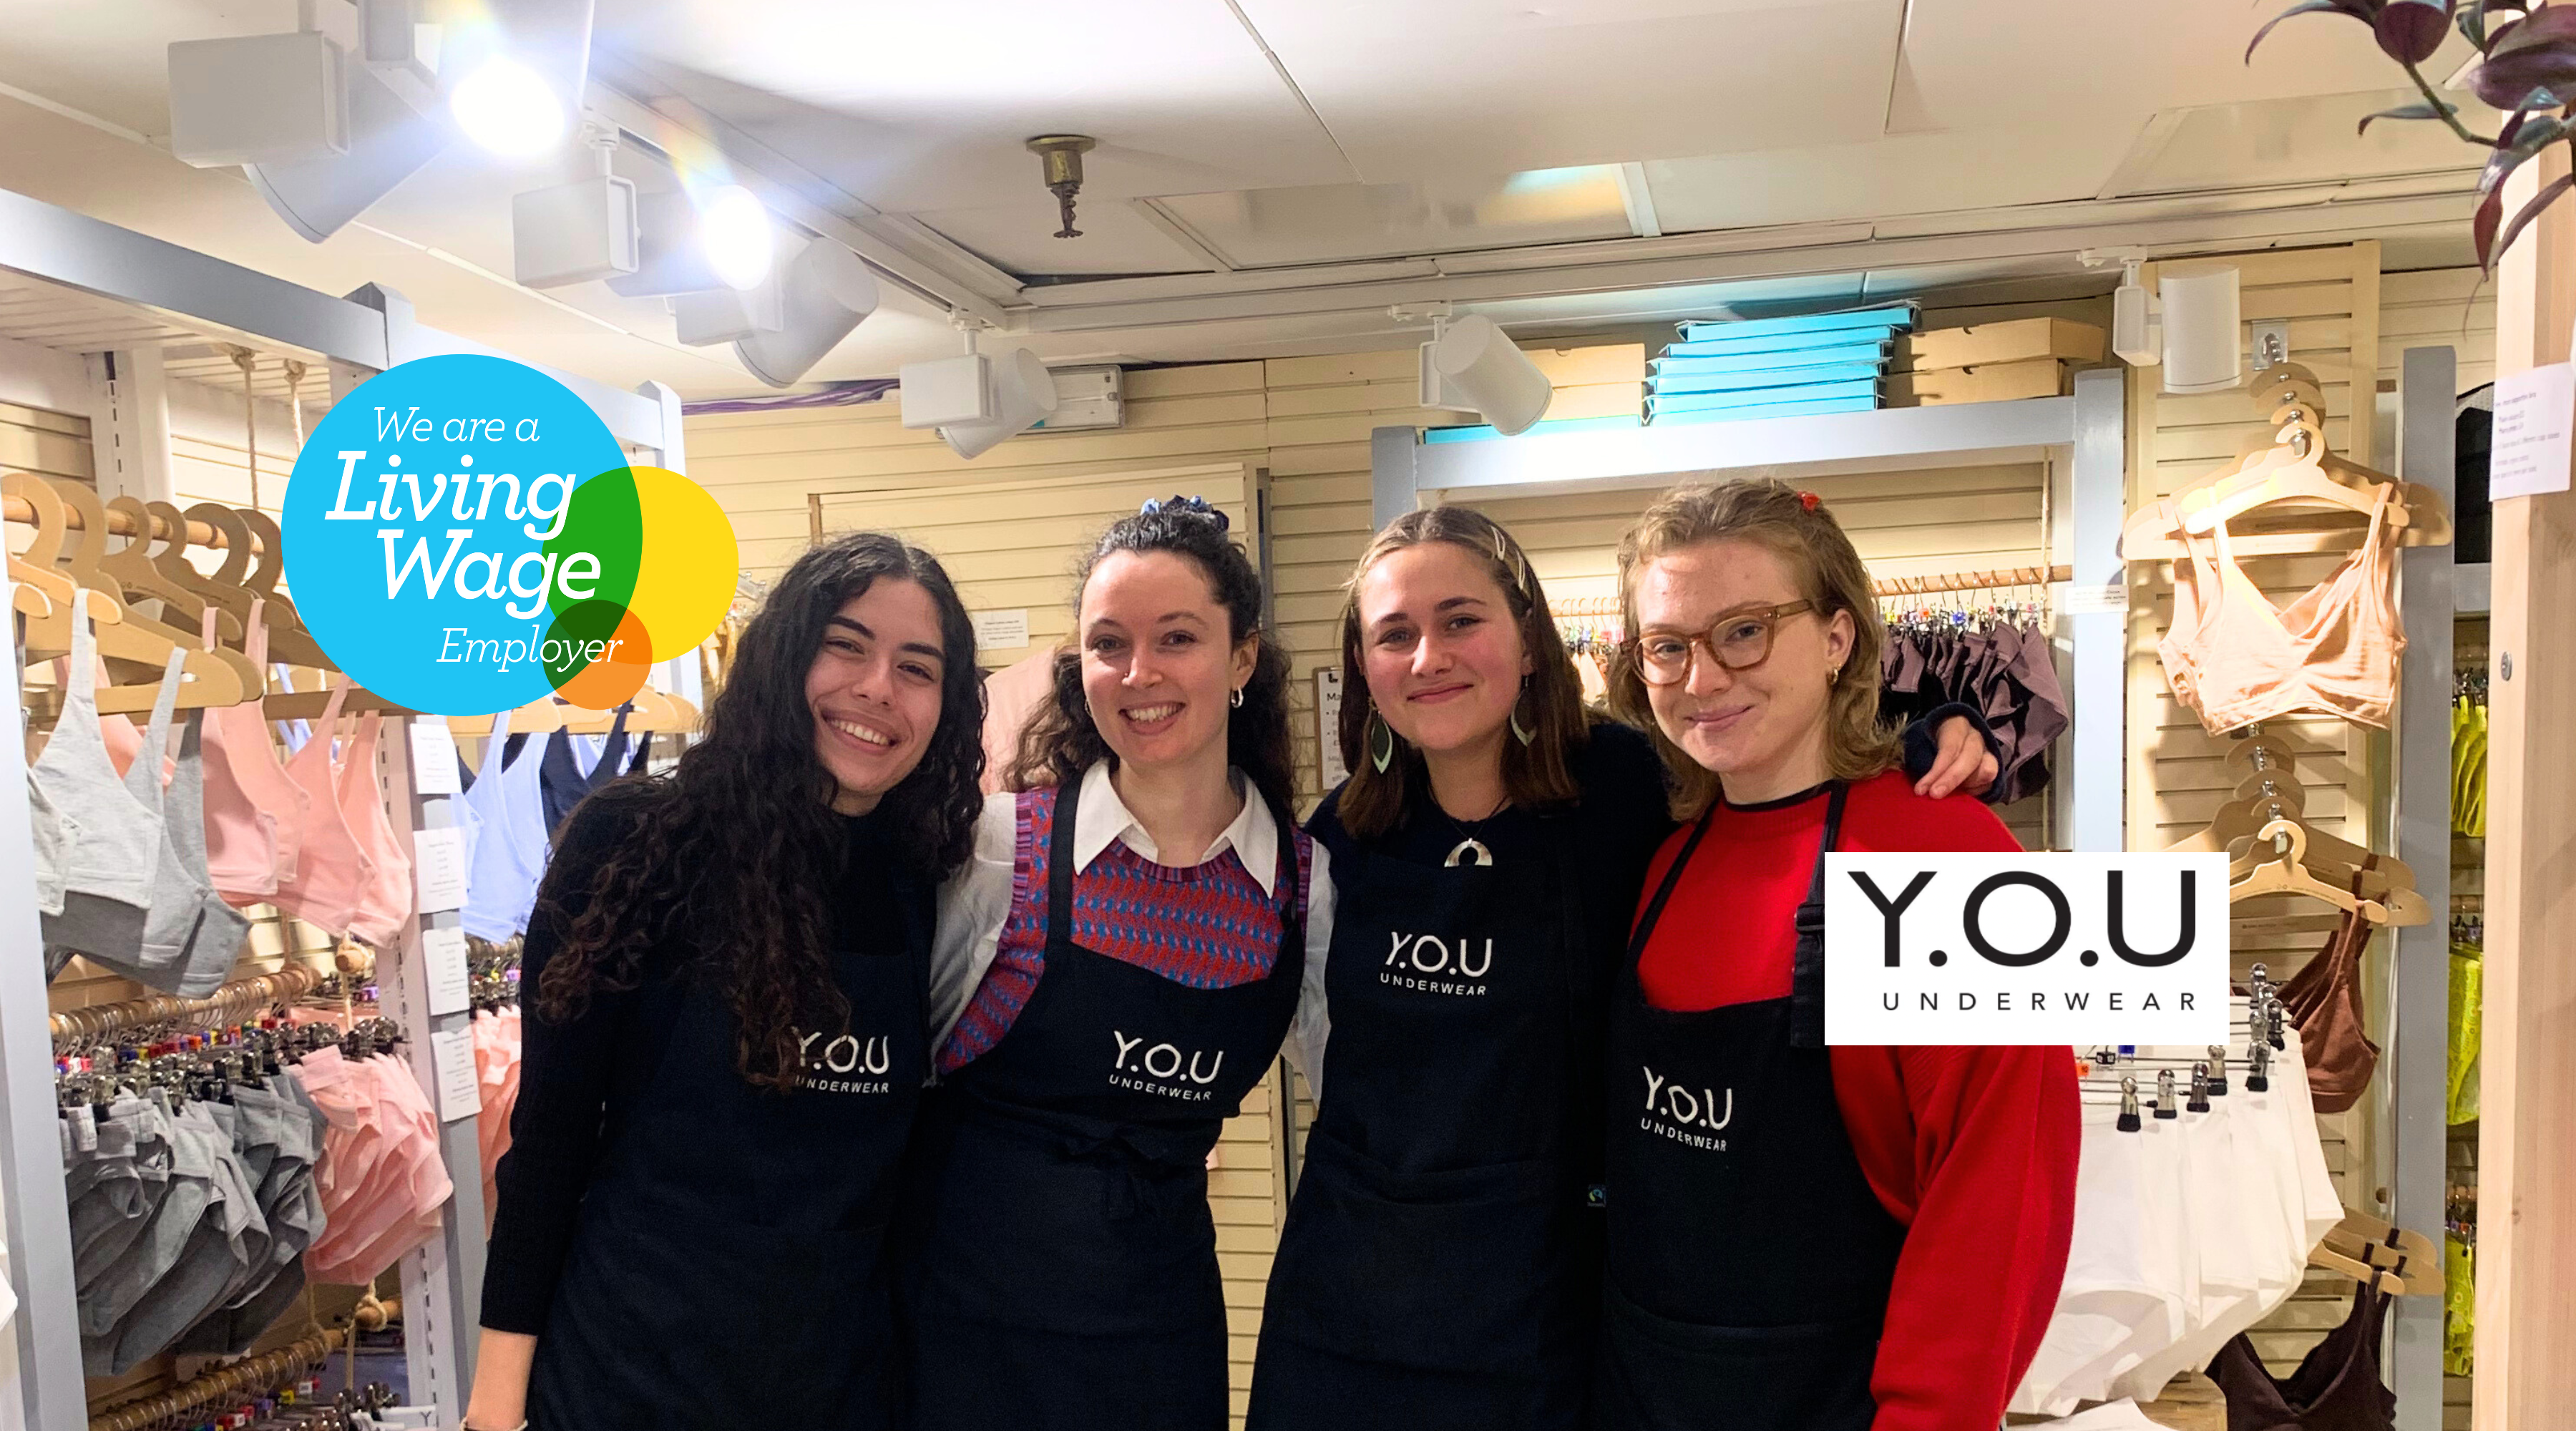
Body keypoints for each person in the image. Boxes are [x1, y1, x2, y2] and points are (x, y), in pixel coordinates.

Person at [1246, 507, 2000, 1431]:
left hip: (1546, 1325)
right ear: (1362, 669)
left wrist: (1918, 742)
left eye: (1461, 621)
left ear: (1529, 642)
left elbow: (1788, 774)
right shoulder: (1332, 844)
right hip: (1344, 1318)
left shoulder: (1639, 794)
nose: (1427, 656)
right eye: (1393, 634)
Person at [462, 533, 987, 1431]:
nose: (877, 688)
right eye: (847, 644)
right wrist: (494, 1408)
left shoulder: (928, 871)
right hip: (630, 1380)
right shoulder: (639, 843)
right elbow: (548, 1144)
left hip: (841, 1385)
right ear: (785, 656)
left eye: (918, 666)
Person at [1595, 479, 2079, 1431]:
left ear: (1837, 636)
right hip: (1641, 1391)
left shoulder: (1948, 855)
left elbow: (2000, 1205)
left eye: (1745, 630)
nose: (1702, 679)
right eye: (1668, 647)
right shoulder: (1662, 857)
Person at [901, 497, 1330, 1431]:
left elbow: (1355, 1107)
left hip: (1156, 1337)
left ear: (1243, 657)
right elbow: (897, 1081)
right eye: (1109, 644)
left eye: (1178, 637)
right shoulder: (998, 851)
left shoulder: (1303, 887)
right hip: (962, 1327)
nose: (1141, 674)